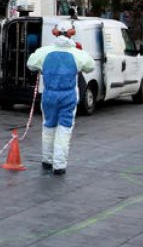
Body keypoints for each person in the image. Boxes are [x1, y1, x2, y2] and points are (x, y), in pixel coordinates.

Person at [26, 21, 95, 176]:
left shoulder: (44, 51)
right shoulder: (77, 53)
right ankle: (59, 165)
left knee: (48, 126)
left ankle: (47, 160)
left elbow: (31, 63)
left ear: (55, 33)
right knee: (64, 129)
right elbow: (90, 66)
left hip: (49, 95)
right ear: (72, 33)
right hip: (68, 96)